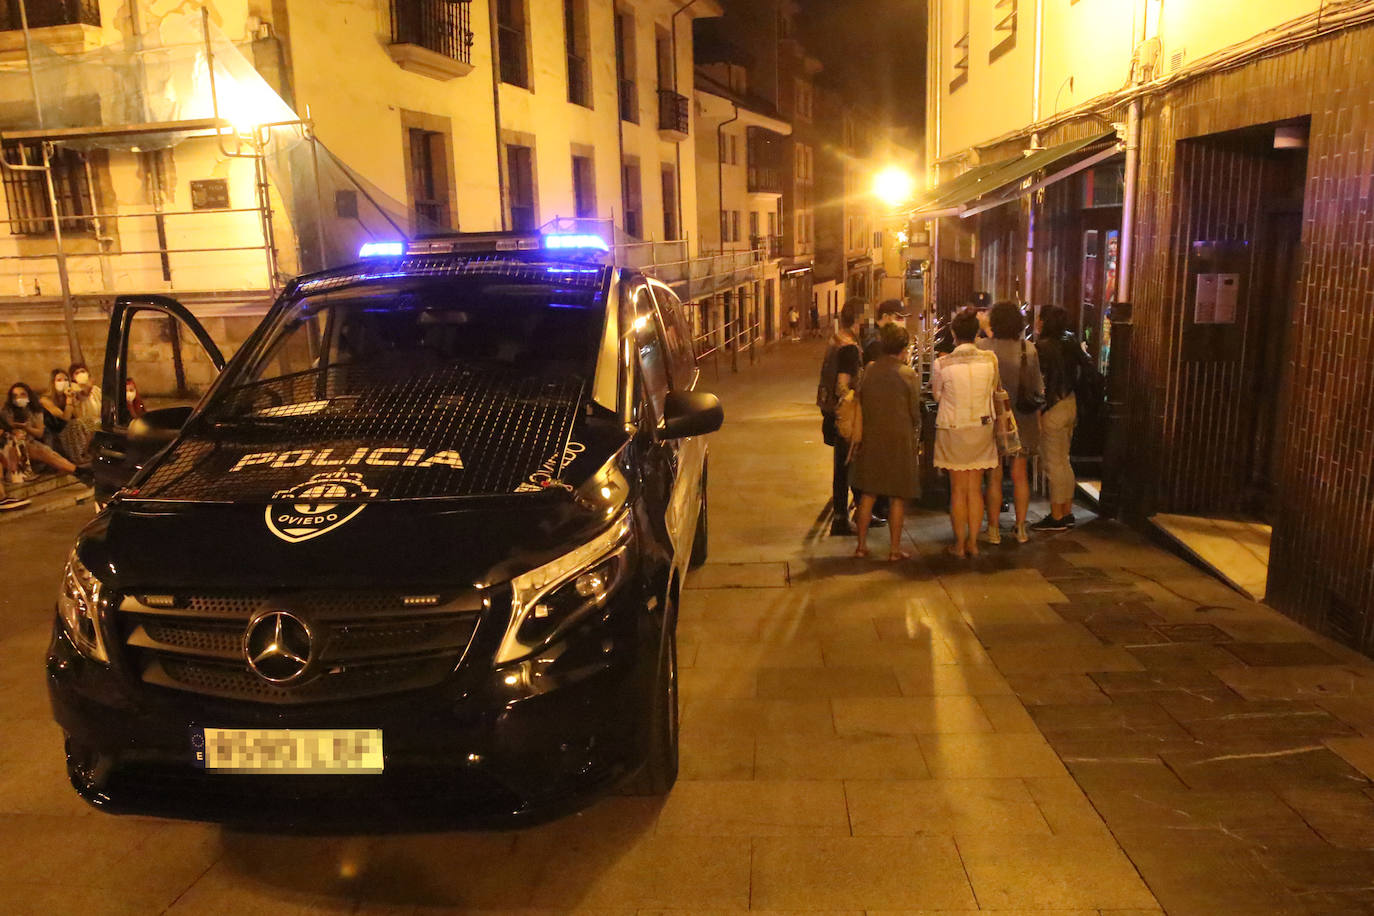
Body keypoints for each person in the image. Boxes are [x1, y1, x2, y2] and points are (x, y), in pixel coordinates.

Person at [931, 307, 1000, 558]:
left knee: (958, 489)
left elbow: (937, 395)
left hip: (953, 429)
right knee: (975, 487)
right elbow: (993, 390)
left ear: (953, 333)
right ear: (976, 333)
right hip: (982, 427)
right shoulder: (990, 360)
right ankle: (973, 543)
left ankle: (959, 545)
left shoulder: (942, 363)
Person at [850, 322, 921, 561]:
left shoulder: (869, 369)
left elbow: (861, 398)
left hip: (872, 437)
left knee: (868, 494)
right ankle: (893, 550)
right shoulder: (908, 374)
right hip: (899, 440)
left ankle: (860, 546)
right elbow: (915, 412)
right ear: (904, 347)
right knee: (896, 496)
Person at [977, 301, 1043, 544]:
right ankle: (1021, 528)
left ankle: (993, 529)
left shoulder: (982, 347)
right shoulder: (1029, 350)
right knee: (1019, 475)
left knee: (993, 476)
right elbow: (1037, 390)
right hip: (1023, 418)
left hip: (993, 417)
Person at [1034, 305, 1091, 530]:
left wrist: (1038, 412)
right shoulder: (1071, 341)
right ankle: (1066, 510)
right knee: (1064, 460)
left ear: (1045, 322)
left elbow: (1042, 383)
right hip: (1071, 403)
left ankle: (1057, 516)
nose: (1037, 323)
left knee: (1053, 463)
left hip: (1053, 408)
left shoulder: (1042, 347)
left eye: (1039, 319)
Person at [820, 298, 864, 535]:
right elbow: (842, 384)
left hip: (831, 412)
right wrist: (852, 399)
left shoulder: (836, 339)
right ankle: (842, 518)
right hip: (844, 415)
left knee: (842, 465)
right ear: (858, 318)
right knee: (847, 465)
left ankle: (842, 515)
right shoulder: (848, 346)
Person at [2, 383, 77, 478]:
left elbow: (39, 433)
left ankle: (78, 471)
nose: (19, 398)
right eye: (15, 395)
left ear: (29, 395)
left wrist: (27, 428)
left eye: (22, 394)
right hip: (16, 445)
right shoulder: (7, 411)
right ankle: (79, 471)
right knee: (43, 451)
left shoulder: (35, 410)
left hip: (32, 442)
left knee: (46, 451)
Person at [40, 368, 89, 465]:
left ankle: (86, 453)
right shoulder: (45, 399)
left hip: (69, 426)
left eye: (66, 380)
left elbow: (78, 415)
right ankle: (77, 457)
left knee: (89, 422)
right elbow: (64, 418)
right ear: (52, 382)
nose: (63, 382)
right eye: (59, 380)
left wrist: (74, 399)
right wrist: (69, 401)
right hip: (53, 429)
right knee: (74, 424)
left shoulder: (67, 396)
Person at [66, 362, 102, 462]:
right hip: (84, 421)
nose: (81, 374)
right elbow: (79, 410)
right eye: (77, 373)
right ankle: (84, 453)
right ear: (73, 377)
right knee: (93, 425)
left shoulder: (96, 390)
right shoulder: (73, 390)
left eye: (83, 371)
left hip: (98, 419)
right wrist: (86, 389)